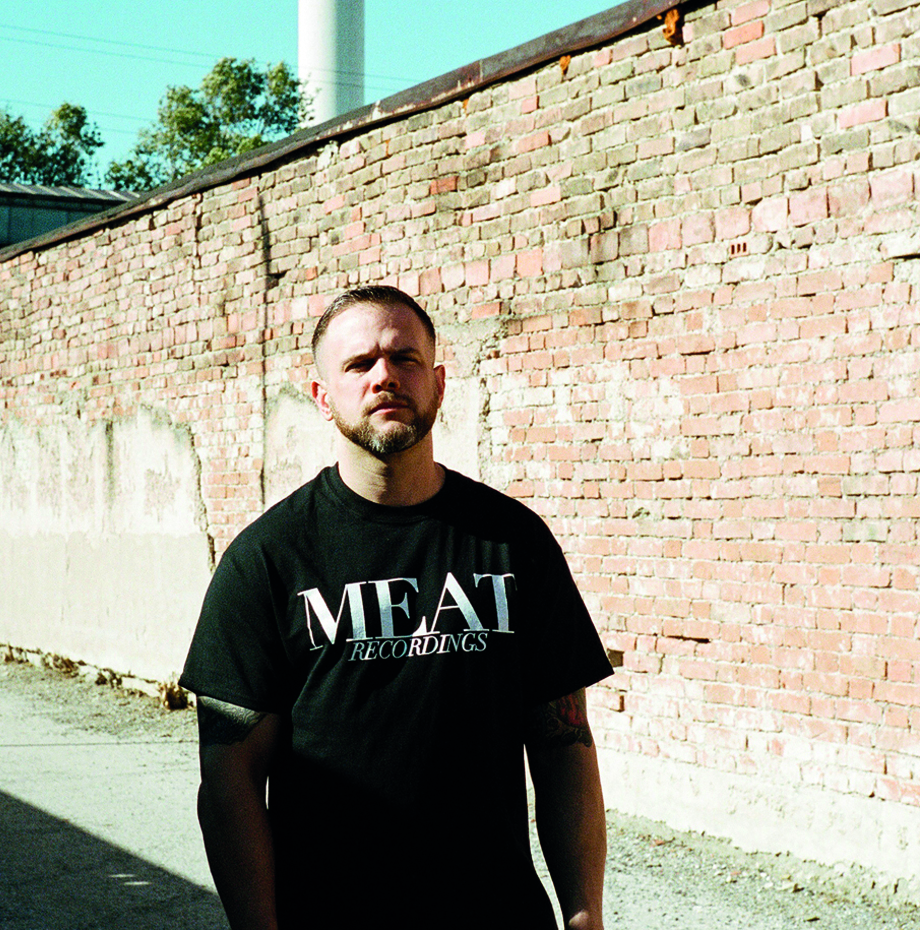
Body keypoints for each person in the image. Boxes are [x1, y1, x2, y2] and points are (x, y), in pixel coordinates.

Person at [180, 285, 613, 929]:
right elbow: (229, 782)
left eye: (406, 358)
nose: (385, 375)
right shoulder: (266, 561)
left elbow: (563, 746)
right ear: (323, 398)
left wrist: (584, 916)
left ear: (437, 383)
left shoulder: (513, 542)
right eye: (359, 364)